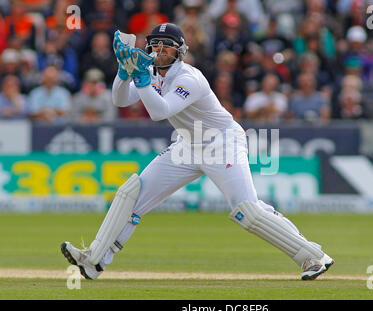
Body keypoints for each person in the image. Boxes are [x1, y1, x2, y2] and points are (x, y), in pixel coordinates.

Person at [61, 23, 333, 281]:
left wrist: (141, 79)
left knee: (247, 211)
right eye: (155, 45)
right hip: (187, 145)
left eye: (166, 46)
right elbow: (119, 100)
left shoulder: (190, 78)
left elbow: (160, 112)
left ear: (179, 51)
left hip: (221, 144)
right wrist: (123, 73)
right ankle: (95, 259)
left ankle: (314, 256)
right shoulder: (152, 73)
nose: (159, 51)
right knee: (131, 194)